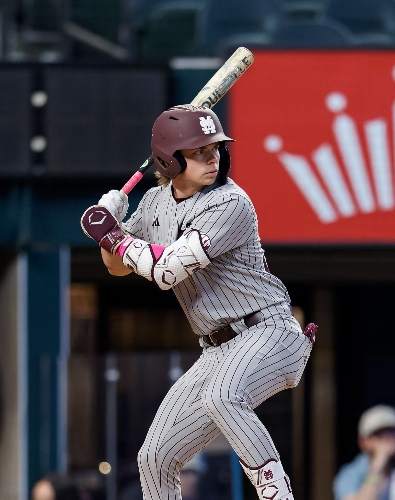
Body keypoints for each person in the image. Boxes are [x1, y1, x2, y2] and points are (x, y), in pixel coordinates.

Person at [80, 105, 317, 500]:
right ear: (168, 161)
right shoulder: (154, 203)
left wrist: (112, 236)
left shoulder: (231, 202)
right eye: (199, 152)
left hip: (269, 331)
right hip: (216, 349)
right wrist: (111, 224)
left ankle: (278, 495)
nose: (213, 158)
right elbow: (117, 267)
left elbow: (166, 271)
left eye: (215, 148)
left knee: (222, 397)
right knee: (154, 457)